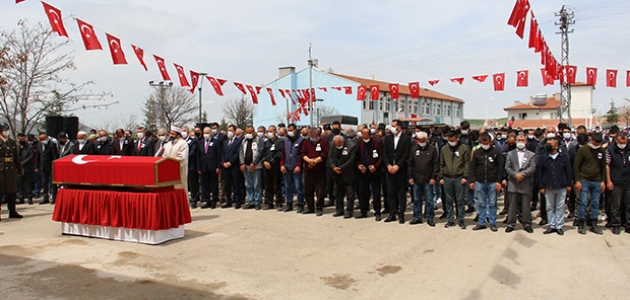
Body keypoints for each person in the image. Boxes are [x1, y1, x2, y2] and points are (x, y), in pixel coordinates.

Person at [536, 137, 572, 235]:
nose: (548, 146)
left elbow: (568, 171)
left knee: (560, 206)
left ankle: (559, 225)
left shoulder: (563, 157)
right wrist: (541, 186)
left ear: (556, 146)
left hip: (561, 185)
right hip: (548, 186)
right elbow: (539, 173)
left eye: (550, 144)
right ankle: (551, 225)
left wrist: (569, 184)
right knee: (550, 207)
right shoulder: (543, 158)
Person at [468, 133, 504, 232]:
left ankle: (492, 222)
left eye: (486, 142)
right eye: (482, 142)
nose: (484, 144)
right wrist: (472, 180)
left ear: (490, 142)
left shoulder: (496, 152)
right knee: (481, 203)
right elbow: (472, 167)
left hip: (493, 182)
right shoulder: (477, 152)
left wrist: (499, 181)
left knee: (492, 203)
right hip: (479, 182)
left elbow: (501, 167)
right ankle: (481, 222)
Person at [574, 132, 607, 235]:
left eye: (598, 143)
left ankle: (593, 223)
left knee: (595, 203)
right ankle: (581, 223)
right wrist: (577, 180)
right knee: (583, 202)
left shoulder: (601, 151)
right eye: (595, 143)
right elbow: (576, 166)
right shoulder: (583, 150)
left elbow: (603, 167)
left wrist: (603, 181)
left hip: (597, 180)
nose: (596, 145)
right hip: (584, 180)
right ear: (591, 140)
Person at [504, 134, 537, 233]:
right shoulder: (510, 154)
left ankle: (526, 223)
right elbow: (507, 167)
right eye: (519, 140)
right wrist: (515, 175)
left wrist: (522, 175)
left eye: (522, 140)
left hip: (525, 182)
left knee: (526, 205)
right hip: (513, 182)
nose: (520, 142)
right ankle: (511, 223)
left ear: (526, 142)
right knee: (512, 205)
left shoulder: (531, 154)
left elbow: (532, 167)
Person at [440, 130, 470, 229]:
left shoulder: (464, 148)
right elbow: (441, 163)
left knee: (460, 200)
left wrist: (465, 176)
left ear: (457, 138)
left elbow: (467, 163)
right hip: (447, 177)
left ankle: (461, 220)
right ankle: (450, 220)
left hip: (459, 177)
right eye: (449, 139)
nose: (451, 141)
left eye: (452, 139)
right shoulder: (444, 149)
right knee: (448, 200)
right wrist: (441, 177)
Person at [382, 120, 411, 224]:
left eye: (393, 126)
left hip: (401, 170)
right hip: (389, 170)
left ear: (399, 127)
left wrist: (398, 165)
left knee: (401, 193)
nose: (392, 128)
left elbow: (406, 154)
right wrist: (388, 165)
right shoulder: (388, 138)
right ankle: (392, 213)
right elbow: (384, 153)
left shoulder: (406, 139)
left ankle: (401, 214)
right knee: (391, 192)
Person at [407, 131, 439, 226]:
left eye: (422, 140)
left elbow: (435, 164)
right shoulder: (414, 149)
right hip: (416, 179)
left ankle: (430, 217)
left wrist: (434, 177)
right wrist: (410, 177)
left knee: (429, 200)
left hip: (428, 179)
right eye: (419, 140)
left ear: (426, 139)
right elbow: (410, 164)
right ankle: (417, 217)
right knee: (416, 199)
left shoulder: (432, 149)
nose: (421, 142)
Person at [606, 132, 630, 235]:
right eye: (620, 142)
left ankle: (628, 224)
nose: (622, 144)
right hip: (616, 180)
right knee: (616, 204)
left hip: (628, 180)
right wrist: (608, 180)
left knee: (629, 204)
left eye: (624, 142)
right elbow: (607, 165)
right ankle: (615, 224)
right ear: (616, 141)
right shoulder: (610, 150)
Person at [357, 128, 383, 221]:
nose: (364, 137)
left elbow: (381, 156)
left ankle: (377, 212)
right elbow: (356, 156)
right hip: (363, 171)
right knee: (363, 192)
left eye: (365, 135)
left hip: (374, 171)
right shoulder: (359, 142)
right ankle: (363, 211)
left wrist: (375, 166)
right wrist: (359, 165)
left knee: (376, 193)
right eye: (362, 135)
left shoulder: (377, 142)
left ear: (369, 135)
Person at [301, 128, 329, 216]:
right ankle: (310, 207)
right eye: (311, 136)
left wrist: (315, 161)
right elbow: (302, 154)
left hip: (320, 170)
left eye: (314, 136)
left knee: (320, 190)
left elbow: (324, 154)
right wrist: (309, 161)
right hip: (308, 169)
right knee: (307, 189)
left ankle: (319, 208)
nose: (312, 137)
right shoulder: (306, 143)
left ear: (318, 135)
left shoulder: (323, 142)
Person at [328, 135, 357, 218]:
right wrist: (334, 167)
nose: (337, 146)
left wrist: (341, 168)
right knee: (337, 193)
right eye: (336, 144)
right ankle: (339, 210)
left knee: (350, 194)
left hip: (348, 173)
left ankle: (349, 211)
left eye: (339, 144)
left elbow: (352, 160)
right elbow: (330, 158)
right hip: (336, 173)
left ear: (343, 141)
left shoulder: (351, 146)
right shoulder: (332, 145)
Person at [256, 125, 284, 210]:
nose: (269, 133)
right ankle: (269, 203)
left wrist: (271, 162)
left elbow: (279, 153)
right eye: (268, 131)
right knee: (268, 186)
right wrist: (264, 161)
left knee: (277, 185)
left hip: (275, 166)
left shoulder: (280, 141)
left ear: (275, 132)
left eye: (271, 131)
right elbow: (263, 152)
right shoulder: (266, 142)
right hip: (266, 167)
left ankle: (279, 203)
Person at [0, 124, 23, 220]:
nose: (6, 132)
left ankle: (12, 211)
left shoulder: (12, 143)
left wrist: (19, 168)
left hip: (11, 170)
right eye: (4, 130)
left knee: (12, 192)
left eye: (7, 130)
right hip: (1, 170)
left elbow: (16, 157)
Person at [280, 123, 304, 212]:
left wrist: (298, 166)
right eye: (288, 130)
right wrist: (282, 164)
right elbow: (283, 153)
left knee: (298, 187)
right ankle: (289, 204)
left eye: (291, 130)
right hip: (286, 167)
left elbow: (301, 155)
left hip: (296, 168)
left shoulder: (301, 140)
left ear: (295, 130)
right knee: (287, 187)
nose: (290, 132)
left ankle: (300, 204)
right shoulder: (286, 140)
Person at [240, 126, 264, 210]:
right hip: (246, 166)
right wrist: (242, 163)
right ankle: (251, 201)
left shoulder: (259, 140)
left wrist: (254, 163)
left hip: (256, 166)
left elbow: (261, 152)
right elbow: (241, 152)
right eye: (247, 132)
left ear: (254, 132)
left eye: (250, 132)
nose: (249, 134)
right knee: (248, 184)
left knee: (257, 184)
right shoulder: (244, 141)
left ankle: (257, 202)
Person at [197, 127, 221, 209]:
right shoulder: (200, 143)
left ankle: (214, 200)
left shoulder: (216, 142)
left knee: (214, 184)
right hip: (203, 167)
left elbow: (218, 155)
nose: (206, 134)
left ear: (211, 133)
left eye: (207, 132)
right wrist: (199, 168)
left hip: (213, 166)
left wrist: (218, 166)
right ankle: (207, 200)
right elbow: (198, 156)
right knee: (205, 184)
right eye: (204, 133)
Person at [220, 125, 243, 209]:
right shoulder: (225, 142)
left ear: (234, 131)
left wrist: (230, 162)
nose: (228, 132)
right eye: (228, 130)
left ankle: (238, 201)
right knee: (227, 184)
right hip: (225, 166)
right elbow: (222, 153)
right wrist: (223, 162)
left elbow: (238, 153)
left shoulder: (239, 141)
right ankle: (228, 201)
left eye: (230, 130)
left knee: (236, 184)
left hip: (234, 166)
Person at [163, 125, 189, 194]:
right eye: (170, 133)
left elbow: (182, 157)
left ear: (178, 135)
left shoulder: (183, 144)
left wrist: (171, 164)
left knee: (179, 190)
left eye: (173, 134)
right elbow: (164, 156)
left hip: (179, 171)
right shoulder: (168, 144)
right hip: (168, 171)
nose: (171, 135)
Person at [38, 132, 58, 205]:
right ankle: (45, 197)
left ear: (46, 138)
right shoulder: (40, 144)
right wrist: (37, 166)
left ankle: (54, 197)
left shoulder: (52, 144)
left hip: (50, 166)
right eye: (40, 139)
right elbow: (38, 156)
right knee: (44, 183)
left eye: (43, 139)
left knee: (52, 183)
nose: (42, 140)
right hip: (43, 166)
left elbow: (55, 156)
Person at [182, 126, 199, 206]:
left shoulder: (193, 141)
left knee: (192, 184)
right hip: (182, 166)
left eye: (185, 131)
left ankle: (194, 200)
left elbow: (192, 153)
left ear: (188, 132)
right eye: (182, 131)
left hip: (191, 165)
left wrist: (183, 157)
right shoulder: (180, 142)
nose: (183, 132)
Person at [17, 133, 34, 205]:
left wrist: (22, 163)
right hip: (19, 169)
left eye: (23, 139)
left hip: (27, 167)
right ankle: (21, 198)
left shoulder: (30, 147)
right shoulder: (17, 147)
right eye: (20, 139)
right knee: (20, 183)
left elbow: (31, 156)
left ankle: (30, 198)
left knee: (29, 183)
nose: (21, 140)